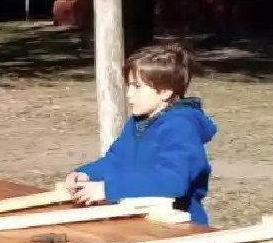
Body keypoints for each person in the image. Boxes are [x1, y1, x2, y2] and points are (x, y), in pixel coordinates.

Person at [63, 42, 216, 225]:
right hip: (134, 219)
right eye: (129, 86)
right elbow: (116, 160)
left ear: (165, 92)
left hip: (177, 227)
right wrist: (86, 174)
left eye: (137, 87)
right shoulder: (138, 122)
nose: (129, 95)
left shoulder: (181, 127)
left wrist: (108, 189)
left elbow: (172, 181)